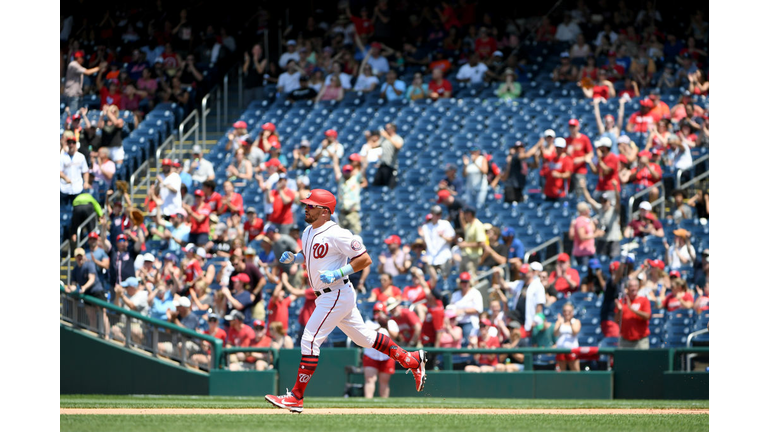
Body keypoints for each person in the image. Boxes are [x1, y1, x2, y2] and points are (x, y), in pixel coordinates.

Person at [265, 189, 427, 412]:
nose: (306, 208)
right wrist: (295, 258)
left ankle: (296, 397)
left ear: (324, 211)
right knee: (365, 338)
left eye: (311, 205)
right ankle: (411, 360)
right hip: (330, 294)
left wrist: (338, 272)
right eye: (307, 204)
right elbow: (310, 255)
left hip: (336, 292)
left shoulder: (338, 233)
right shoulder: (308, 231)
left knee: (310, 340)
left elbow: (365, 259)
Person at [362, 302, 399, 398]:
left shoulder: (391, 323)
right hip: (371, 355)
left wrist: (385, 325)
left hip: (387, 356)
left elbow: (395, 337)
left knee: (384, 381)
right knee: (370, 379)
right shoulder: (369, 323)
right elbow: (367, 336)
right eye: (376, 312)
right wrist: (379, 325)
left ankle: (384, 403)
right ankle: (368, 402)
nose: (378, 314)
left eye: (380, 312)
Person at [581, 179, 622, 258]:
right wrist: (584, 188)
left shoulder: (614, 210)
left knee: (614, 259)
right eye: (602, 201)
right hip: (602, 240)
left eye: (605, 201)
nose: (603, 203)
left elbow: (618, 200)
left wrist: (615, 187)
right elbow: (589, 200)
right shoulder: (600, 208)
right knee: (601, 259)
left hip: (613, 239)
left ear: (609, 201)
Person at [419, 206, 456, 285]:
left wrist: (443, 236)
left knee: (445, 279)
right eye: (436, 214)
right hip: (431, 257)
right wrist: (422, 237)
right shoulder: (425, 227)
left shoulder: (445, 224)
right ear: (432, 214)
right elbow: (425, 244)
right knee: (433, 280)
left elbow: (452, 239)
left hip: (443, 255)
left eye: (439, 214)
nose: (438, 216)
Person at [614, 278, 651, 349]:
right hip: (625, 340)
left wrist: (632, 309)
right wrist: (619, 311)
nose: (633, 288)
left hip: (640, 340)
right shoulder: (622, 301)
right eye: (631, 286)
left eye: (635, 286)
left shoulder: (644, 300)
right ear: (627, 288)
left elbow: (647, 316)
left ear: (638, 287)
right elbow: (616, 321)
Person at [450, 272, 483, 339]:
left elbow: (479, 309)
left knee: (466, 340)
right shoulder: (455, 294)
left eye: (466, 282)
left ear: (469, 282)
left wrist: (463, 311)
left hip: (469, 322)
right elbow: (451, 307)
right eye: (462, 282)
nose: (464, 284)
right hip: (456, 322)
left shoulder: (475, 293)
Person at [569, 202, 602, 266]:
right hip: (583, 253)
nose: (589, 211)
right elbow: (582, 237)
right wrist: (596, 235)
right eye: (588, 209)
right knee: (585, 270)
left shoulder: (588, 220)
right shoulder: (580, 221)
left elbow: (592, 230)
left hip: (590, 251)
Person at [60, 135, 90, 206]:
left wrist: (86, 182)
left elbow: (85, 171)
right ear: (67, 144)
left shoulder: (81, 156)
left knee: (77, 208)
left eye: (73, 143)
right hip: (64, 188)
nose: (71, 145)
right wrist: (65, 177)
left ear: (75, 144)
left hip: (77, 187)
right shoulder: (62, 157)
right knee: (63, 209)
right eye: (69, 143)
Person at [371, 124, 403, 189]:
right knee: (376, 186)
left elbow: (398, 146)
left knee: (390, 186)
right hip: (382, 165)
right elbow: (374, 145)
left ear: (392, 129)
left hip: (391, 166)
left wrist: (387, 136)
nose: (386, 130)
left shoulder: (397, 138)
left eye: (387, 128)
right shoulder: (383, 138)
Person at [554, 302, 581, 371]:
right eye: (565, 311)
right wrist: (560, 323)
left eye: (569, 311)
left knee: (575, 371)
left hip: (572, 350)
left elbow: (575, 332)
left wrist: (570, 322)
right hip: (561, 350)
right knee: (561, 372)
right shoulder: (559, 321)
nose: (567, 313)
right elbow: (555, 334)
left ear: (572, 312)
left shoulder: (576, 321)